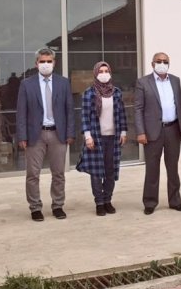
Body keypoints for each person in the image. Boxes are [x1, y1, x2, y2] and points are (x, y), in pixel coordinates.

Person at [16, 48, 75, 222]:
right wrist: (22, 136)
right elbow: (21, 112)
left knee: (58, 173)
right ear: (36, 64)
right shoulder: (27, 84)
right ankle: (35, 207)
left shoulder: (63, 83)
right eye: (42, 61)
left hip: (58, 133)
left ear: (54, 63)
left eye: (49, 61)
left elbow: (69, 110)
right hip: (35, 135)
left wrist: (70, 132)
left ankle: (58, 205)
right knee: (33, 174)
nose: (46, 64)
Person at [135, 52, 181, 215]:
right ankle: (150, 202)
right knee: (152, 168)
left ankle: (175, 201)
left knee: (173, 168)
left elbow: (179, 105)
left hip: (173, 130)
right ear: (152, 64)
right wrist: (141, 132)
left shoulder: (175, 80)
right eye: (159, 61)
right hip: (152, 132)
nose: (162, 64)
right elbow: (138, 109)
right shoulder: (143, 82)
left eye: (165, 61)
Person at [76, 61, 128, 216]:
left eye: (106, 71)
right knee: (97, 172)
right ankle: (99, 202)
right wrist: (87, 136)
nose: (104, 74)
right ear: (95, 73)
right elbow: (85, 116)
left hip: (113, 137)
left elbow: (122, 113)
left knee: (110, 171)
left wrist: (123, 132)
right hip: (96, 137)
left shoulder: (116, 92)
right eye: (101, 71)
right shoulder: (89, 93)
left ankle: (107, 200)